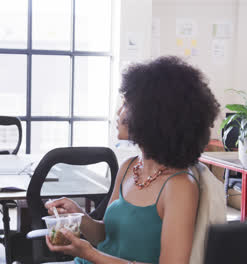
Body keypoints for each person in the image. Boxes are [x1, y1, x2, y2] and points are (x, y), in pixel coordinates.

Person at [45, 56, 220, 264]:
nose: (119, 113)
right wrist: (79, 215)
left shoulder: (180, 186)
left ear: (153, 116)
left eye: (126, 104)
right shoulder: (129, 167)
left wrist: (89, 253)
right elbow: (105, 237)